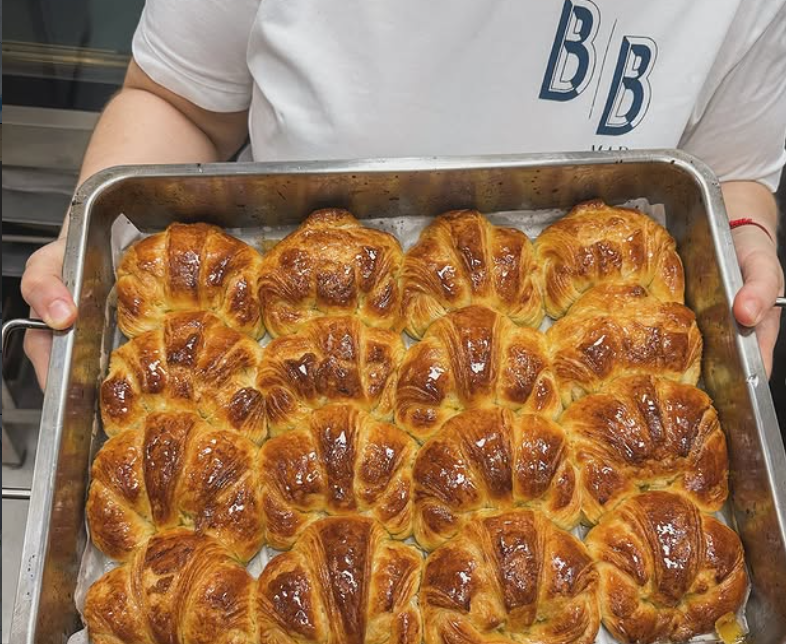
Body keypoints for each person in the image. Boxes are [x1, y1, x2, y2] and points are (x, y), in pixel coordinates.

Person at [21, 0, 786, 386]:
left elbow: (729, 172)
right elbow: (176, 103)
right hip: (284, 326)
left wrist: (746, 231)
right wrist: (85, 238)